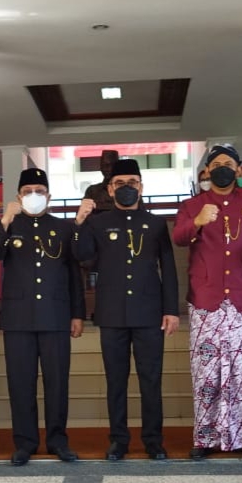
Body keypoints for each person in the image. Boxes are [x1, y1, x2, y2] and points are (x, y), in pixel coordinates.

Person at [174, 144, 242, 459]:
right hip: (206, 300)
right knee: (207, 373)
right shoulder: (193, 205)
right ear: (206, 171)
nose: (222, 168)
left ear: (239, 170)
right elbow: (178, 237)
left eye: (228, 163)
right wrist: (199, 221)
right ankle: (206, 439)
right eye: (216, 163)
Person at [73, 158, 179, 460]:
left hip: (149, 314)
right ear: (110, 188)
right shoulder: (98, 223)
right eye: (120, 184)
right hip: (113, 314)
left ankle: (153, 440)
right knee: (115, 381)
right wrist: (79, 222)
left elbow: (168, 269)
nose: (126, 188)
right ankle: (118, 440)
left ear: (142, 187)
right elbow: (83, 257)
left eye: (132, 182)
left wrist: (171, 309)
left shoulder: (156, 223)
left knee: (151, 380)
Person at [0, 167, 84, 466]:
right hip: (18, 318)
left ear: (49, 197)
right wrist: (4, 220)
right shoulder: (9, 226)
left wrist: (77, 314)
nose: (34, 197)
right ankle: (25, 442)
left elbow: (73, 275)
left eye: (39, 192)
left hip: (55, 316)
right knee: (21, 382)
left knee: (57, 382)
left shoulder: (65, 228)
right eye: (28, 192)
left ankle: (57, 441)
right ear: (18, 196)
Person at [83, 149, 119, 214]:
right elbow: (82, 217)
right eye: (105, 165)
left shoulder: (127, 191)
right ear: (101, 167)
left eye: (112, 165)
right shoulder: (92, 191)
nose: (109, 169)